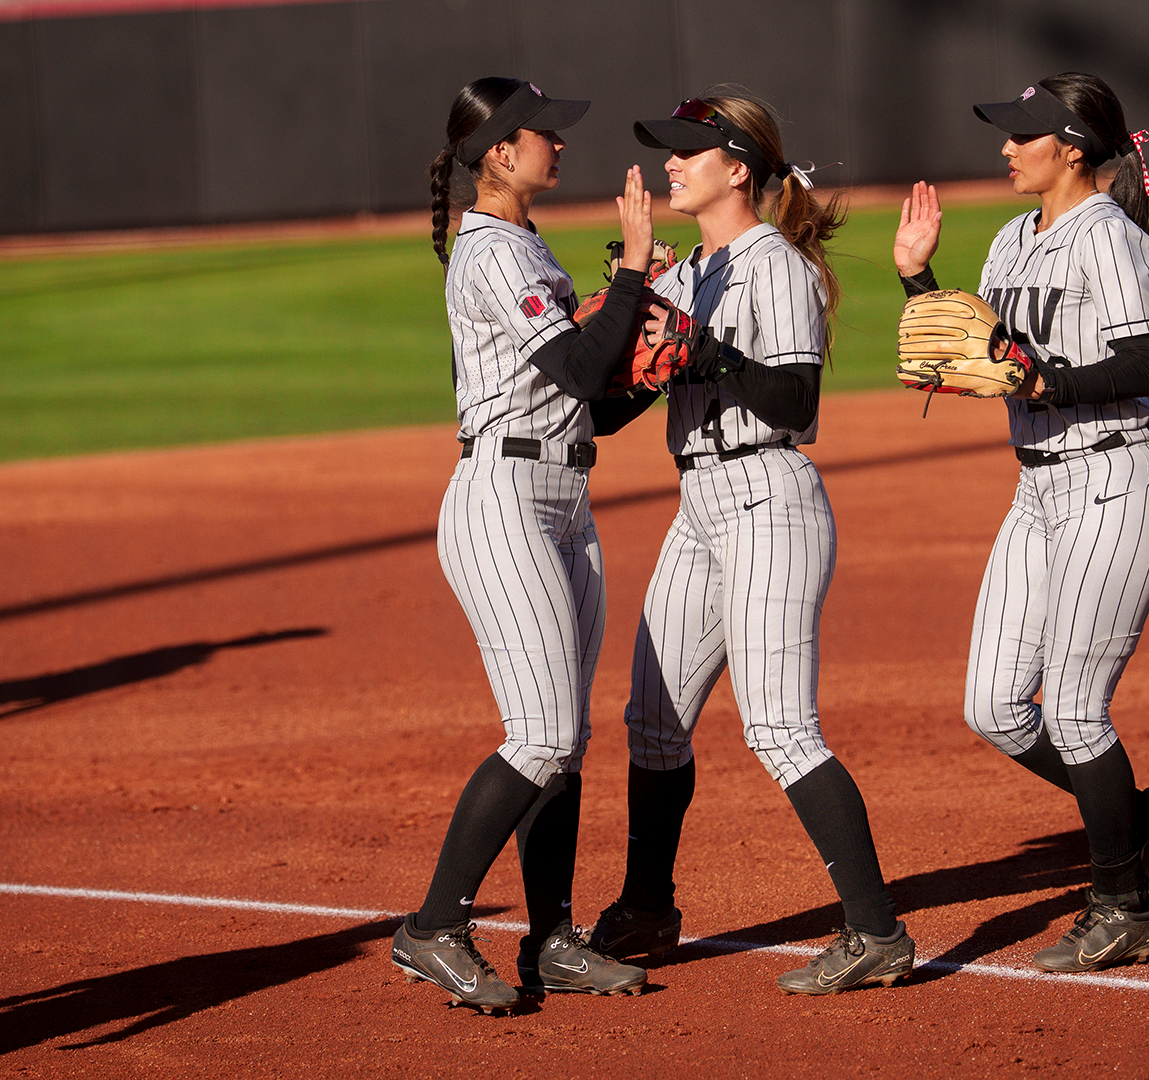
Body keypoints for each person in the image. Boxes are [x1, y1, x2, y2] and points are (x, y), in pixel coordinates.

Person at [583, 92, 915, 995]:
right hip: (699, 505)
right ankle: (648, 910)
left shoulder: (778, 269)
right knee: (651, 722)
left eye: (690, 151)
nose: (671, 165)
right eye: (669, 150)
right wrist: (613, 336)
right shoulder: (684, 272)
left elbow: (795, 401)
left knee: (779, 728)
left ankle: (875, 929)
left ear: (739, 167)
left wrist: (695, 351)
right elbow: (618, 410)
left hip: (770, 497)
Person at [893, 73, 1149, 973]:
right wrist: (919, 277)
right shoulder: (1010, 237)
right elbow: (983, 348)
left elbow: (1143, 362)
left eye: (1022, 134)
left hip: (1115, 485)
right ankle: (1142, 818)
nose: (1005, 146)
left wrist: (1046, 382)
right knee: (995, 707)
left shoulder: (1108, 237)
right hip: (1037, 492)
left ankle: (1124, 905)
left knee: (1076, 708)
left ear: (1070, 148)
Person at [388, 76, 666, 1013]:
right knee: (541, 732)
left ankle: (551, 940)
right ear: (500, 153)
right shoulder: (495, 254)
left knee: (567, 740)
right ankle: (433, 925)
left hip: (561, 496)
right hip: (504, 499)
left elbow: (596, 398)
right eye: (545, 134)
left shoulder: (526, 245)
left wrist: (658, 360)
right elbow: (583, 361)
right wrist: (629, 275)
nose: (560, 144)